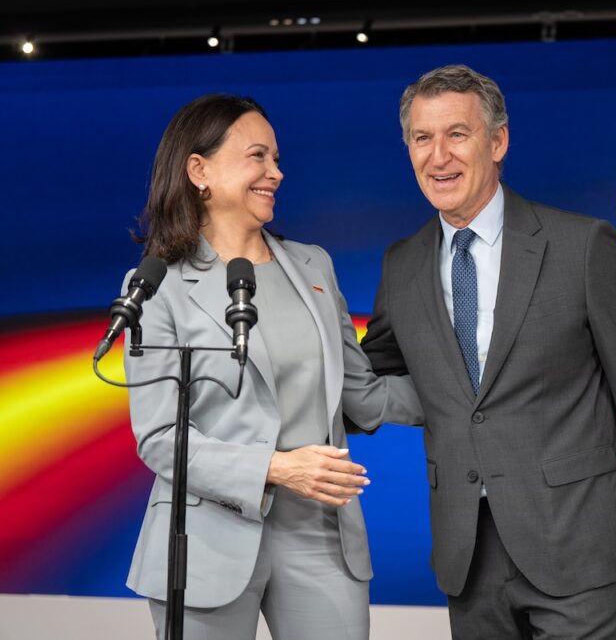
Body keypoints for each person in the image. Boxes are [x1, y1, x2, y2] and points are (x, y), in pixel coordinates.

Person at [361, 64, 616, 638]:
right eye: (422, 138)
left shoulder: (582, 246)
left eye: (457, 134)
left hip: (578, 547)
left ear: (498, 141)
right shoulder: (402, 264)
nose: (438, 155)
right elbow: (369, 374)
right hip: (468, 557)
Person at [123, 93, 422, 640]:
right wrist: (278, 468)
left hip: (322, 535)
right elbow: (162, 438)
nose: (276, 173)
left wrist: (472, 394)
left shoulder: (313, 265)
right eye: (258, 156)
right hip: (205, 541)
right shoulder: (157, 286)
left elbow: (361, 395)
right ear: (199, 170)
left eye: (277, 158)